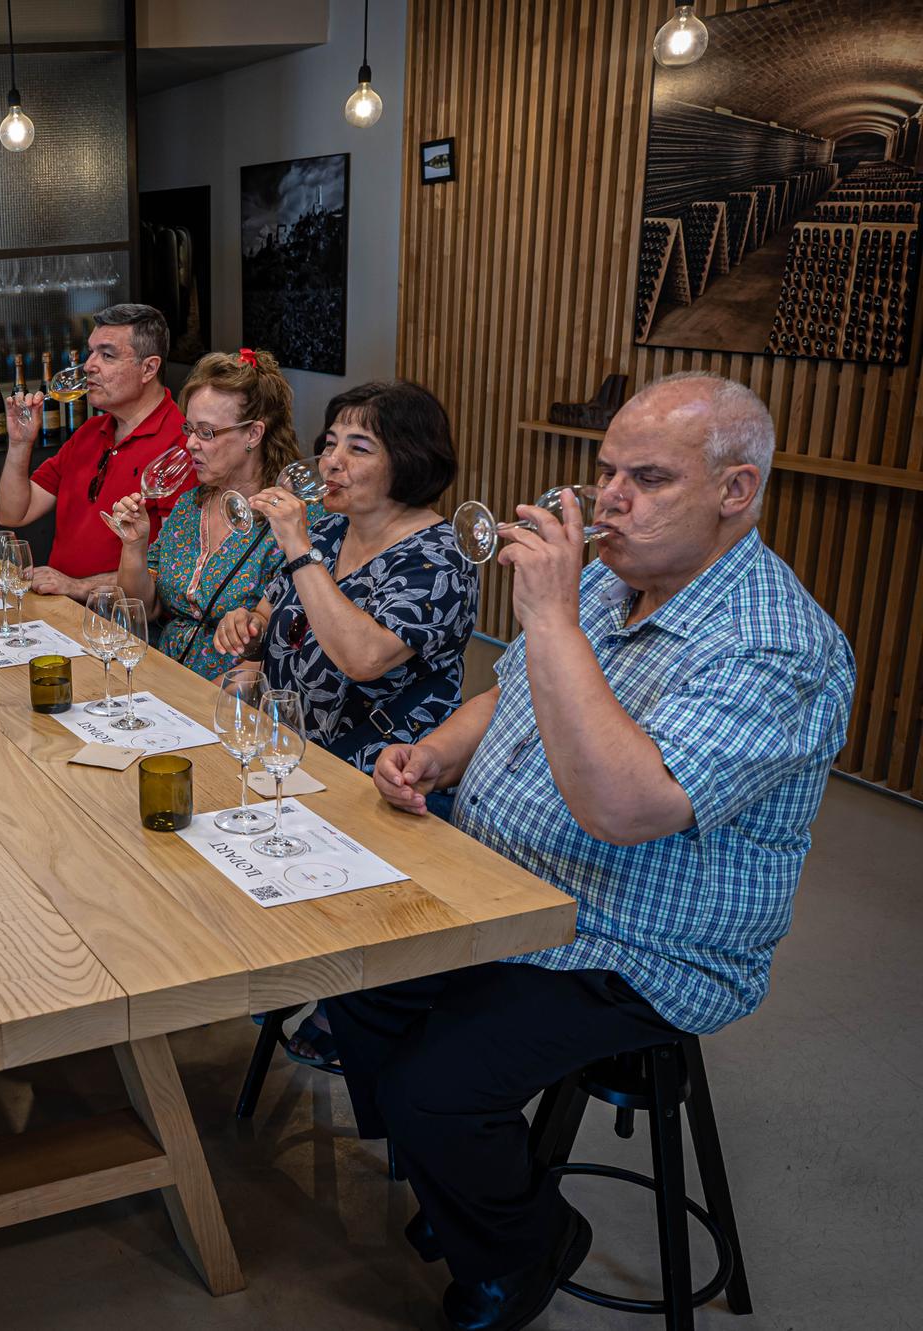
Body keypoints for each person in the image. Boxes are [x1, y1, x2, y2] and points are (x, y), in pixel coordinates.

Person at [335, 373, 854, 1331]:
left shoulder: (776, 644)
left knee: (432, 1087)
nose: (609, 497)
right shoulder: (621, 576)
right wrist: (441, 749)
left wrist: (550, 616)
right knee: (352, 979)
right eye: (607, 470)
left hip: (637, 944)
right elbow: (520, 694)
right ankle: (464, 1195)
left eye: (646, 477)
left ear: (735, 492)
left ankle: (525, 1244)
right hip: (512, 888)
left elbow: (627, 807)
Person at [215, 380, 477, 776]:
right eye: (330, 444)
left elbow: (363, 659)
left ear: (410, 460)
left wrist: (299, 548)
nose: (331, 461)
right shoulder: (331, 529)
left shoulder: (441, 559)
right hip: (284, 751)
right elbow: (268, 619)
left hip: (377, 773)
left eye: (358, 448)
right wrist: (248, 627)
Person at [107, 347, 306, 678]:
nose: (190, 445)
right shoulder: (190, 506)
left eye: (207, 432)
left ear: (253, 434)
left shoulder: (290, 520)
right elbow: (141, 609)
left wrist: (251, 624)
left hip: (228, 694)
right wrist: (134, 545)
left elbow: (282, 639)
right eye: (189, 430)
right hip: (158, 675)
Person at [0, 303, 192, 600]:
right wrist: (20, 444)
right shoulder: (90, 431)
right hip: (59, 609)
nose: (89, 365)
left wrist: (77, 587)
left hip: (118, 622)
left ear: (149, 368)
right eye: (91, 352)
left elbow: (174, 571)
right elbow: (13, 513)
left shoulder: (181, 445)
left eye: (107, 355)